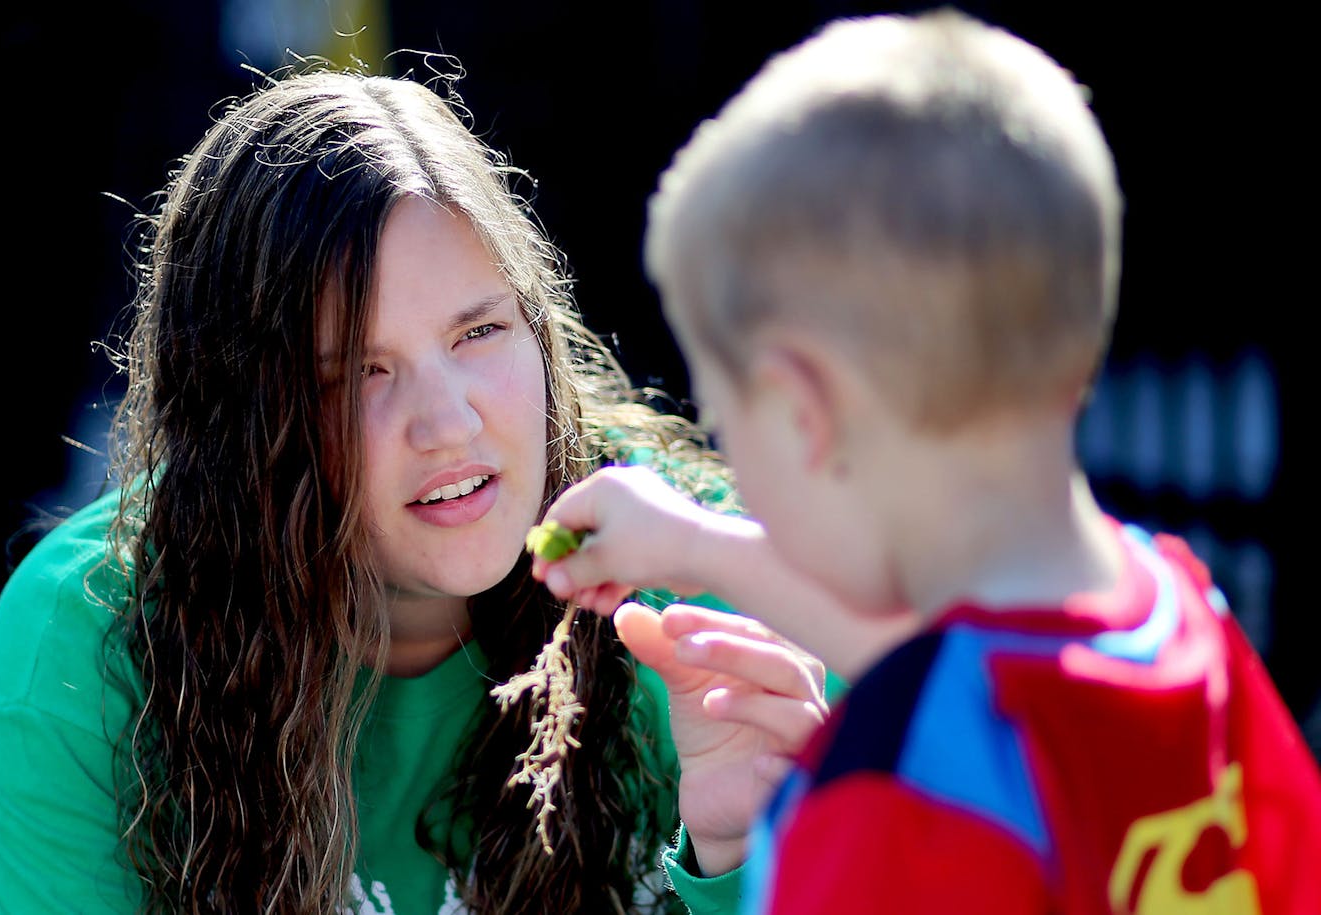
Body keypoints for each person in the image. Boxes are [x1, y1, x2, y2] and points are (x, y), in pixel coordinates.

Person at [0, 67, 829, 915]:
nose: (448, 422)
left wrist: (742, 856)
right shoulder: (87, 653)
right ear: (238, 423)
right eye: (358, 374)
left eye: (480, 330)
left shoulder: (700, 593)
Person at [531, 10, 1321, 914]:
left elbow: (943, 687)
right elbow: (971, 664)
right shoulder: (1181, 615)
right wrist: (695, 546)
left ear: (804, 412)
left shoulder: (886, 809)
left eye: (726, 415)